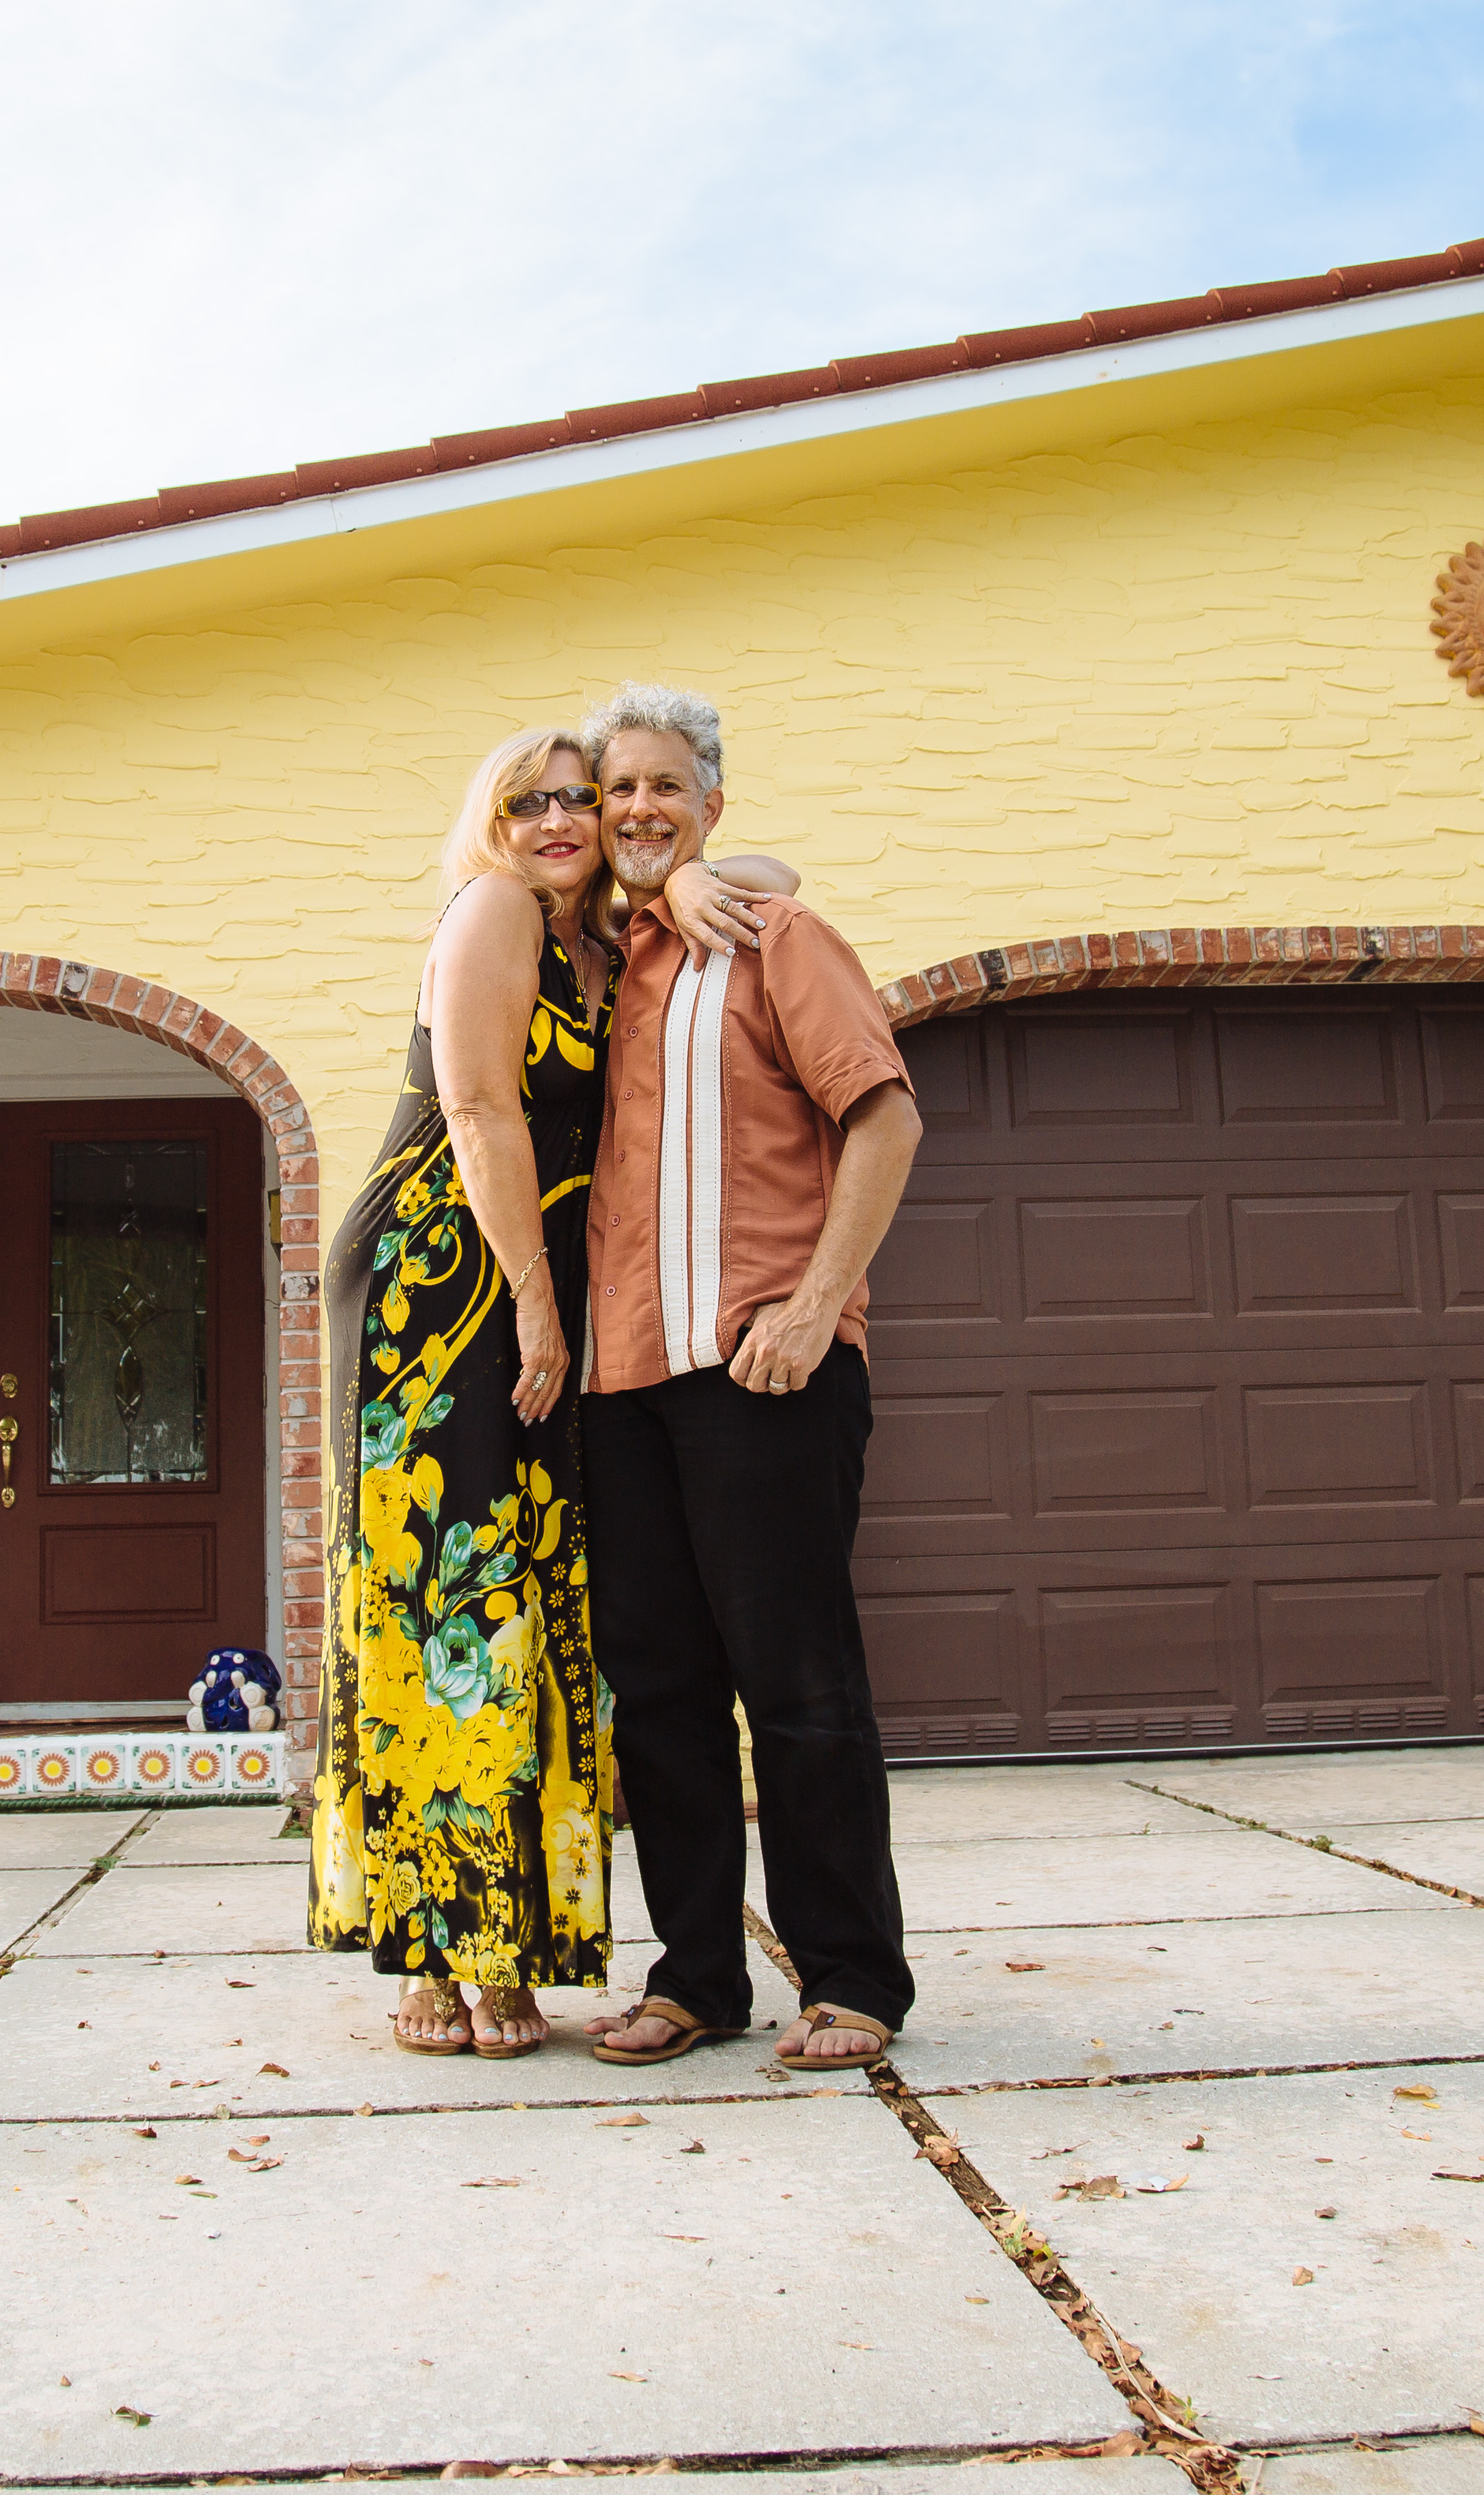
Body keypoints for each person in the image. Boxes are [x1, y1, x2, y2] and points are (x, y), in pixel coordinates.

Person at [307, 724, 791, 2057]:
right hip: (447, 1271)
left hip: (543, 1284)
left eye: (584, 798)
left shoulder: (598, 940)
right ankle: (436, 1955)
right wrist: (530, 1293)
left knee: (530, 1599)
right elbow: (476, 1107)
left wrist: (682, 881)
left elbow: (780, 874)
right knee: (444, 1597)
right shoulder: (496, 909)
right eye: (533, 801)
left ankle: (504, 1939)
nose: (564, 819)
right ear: (494, 819)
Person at [573, 683, 925, 2072]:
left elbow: (884, 1120)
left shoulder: (776, 936)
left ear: (711, 802)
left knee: (795, 1679)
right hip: (628, 1383)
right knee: (658, 1688)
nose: (642, 810)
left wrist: (817, 1302)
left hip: (767, 1367)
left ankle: (852, 1979)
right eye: (620, 792)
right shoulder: (603, 966)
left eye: (668, 787)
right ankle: (699, 1978)